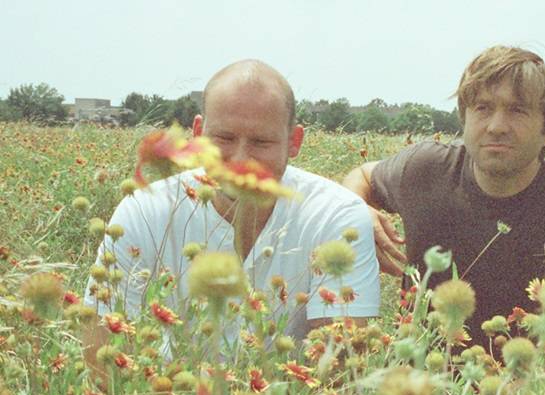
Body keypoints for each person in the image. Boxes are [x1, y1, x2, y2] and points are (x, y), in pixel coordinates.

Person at [82, 60, 380, 369]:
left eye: (261, 142)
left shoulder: (335, 215)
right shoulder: (145, 210)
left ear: (294, 142)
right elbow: (101, 358)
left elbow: (340, 369)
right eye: (223, 138)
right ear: (198, 133)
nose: (240, 159)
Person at [342, 45, 545, 347]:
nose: (497, 127)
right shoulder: (426, 170)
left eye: (517, 110)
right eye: (482, 108)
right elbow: (364, 176)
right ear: (465, 117)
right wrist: (356, 209)